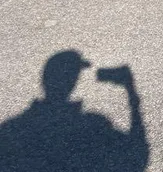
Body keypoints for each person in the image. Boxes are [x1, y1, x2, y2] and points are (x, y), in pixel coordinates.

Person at [0, 50, 149, 172]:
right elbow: (138, 153)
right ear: (74, 79)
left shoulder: (7, 130)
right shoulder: (93, 122)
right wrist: (130, 90)